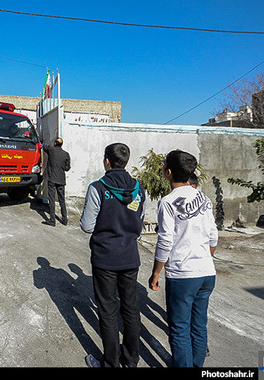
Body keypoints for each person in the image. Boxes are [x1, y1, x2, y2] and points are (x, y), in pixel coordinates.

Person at [148, 150, 218, 368]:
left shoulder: (167, 202)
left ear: (168, 172)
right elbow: (213, 235)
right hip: (207, 273)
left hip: (183, 276)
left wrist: (156, 272)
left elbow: (165, 242)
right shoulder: (203, 197)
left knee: (179, 330)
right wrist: (204, 259)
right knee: (199, 326)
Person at [80, 143, 146, 368]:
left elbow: (88, 226)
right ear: (125, 162)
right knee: (130, 308)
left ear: (107, 161)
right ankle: (131, 360)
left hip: (105, 258)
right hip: (130, 257)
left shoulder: (97, 187)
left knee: (107, 311)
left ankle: (111, 363)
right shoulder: (139, 188)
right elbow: (139, 223)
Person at [42, 137, 71, 226]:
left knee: (51, 199)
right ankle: (64, 219)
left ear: (55, 144)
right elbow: (67, 168)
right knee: (62, 200)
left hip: (51, 178)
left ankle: (52, 220)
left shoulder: (51, 150)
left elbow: (44, 146)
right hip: (61, 179)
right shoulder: (66, 154)